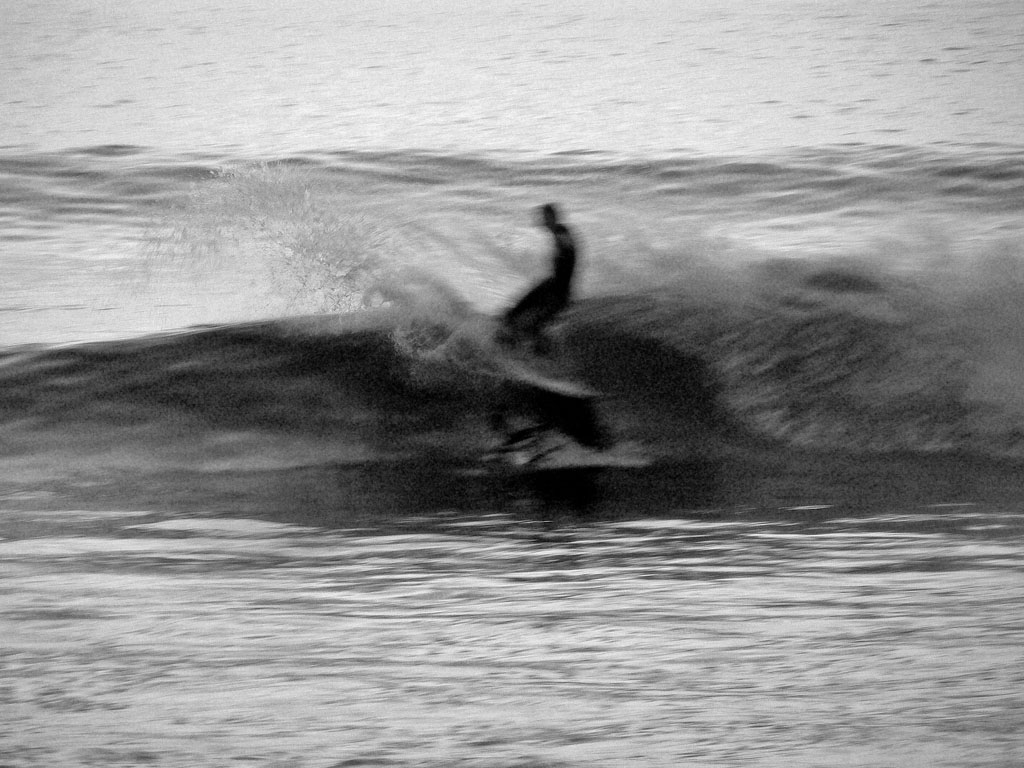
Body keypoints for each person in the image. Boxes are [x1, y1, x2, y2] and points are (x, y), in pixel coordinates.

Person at [497, 203, 577, 355]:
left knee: (528, 323)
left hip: (557, 291)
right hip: (553, 286)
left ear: (552, 217)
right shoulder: (558, 232)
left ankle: (535, 352)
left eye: (544, 217)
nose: (542, 221)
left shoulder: (561, 232)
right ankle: (515, 342)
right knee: (517, 314)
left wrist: (564, 252)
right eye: (542, 217)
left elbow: (567, 247)